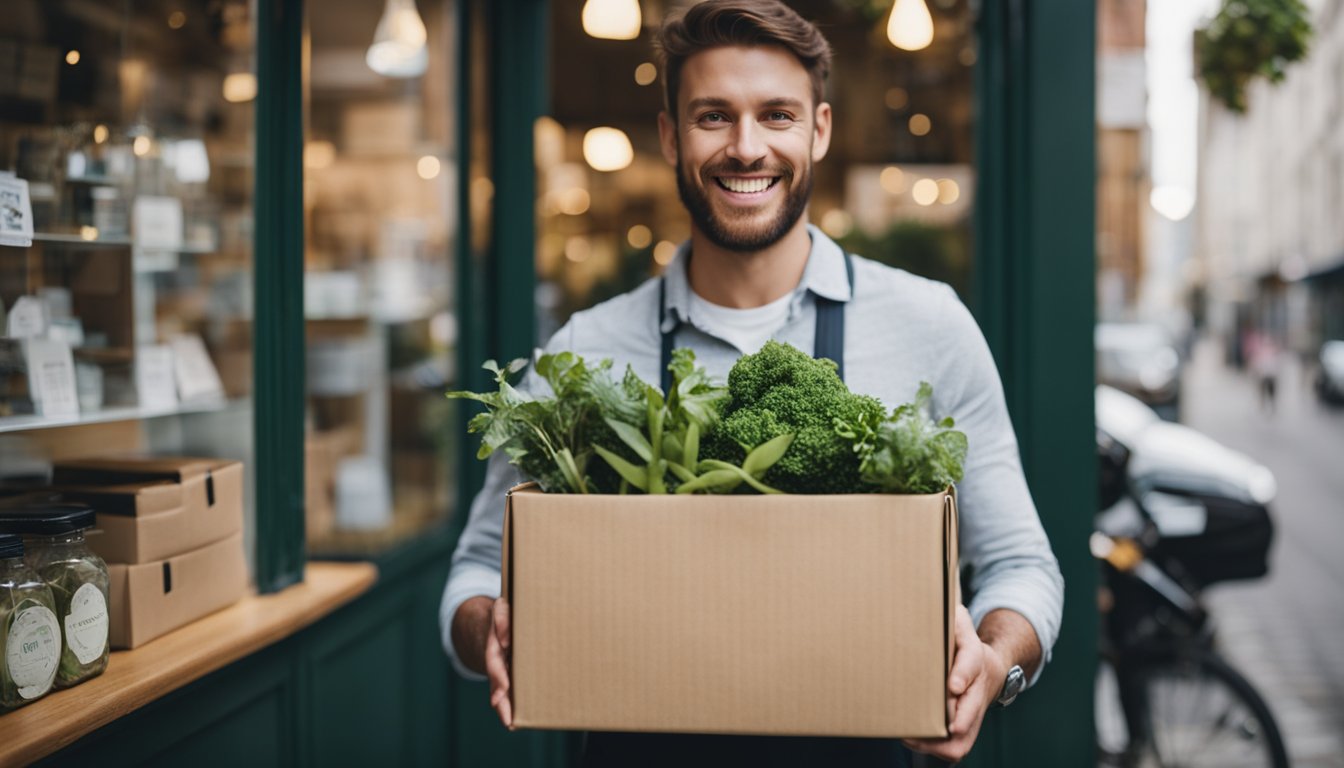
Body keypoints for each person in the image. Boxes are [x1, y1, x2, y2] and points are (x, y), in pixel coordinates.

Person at [440, 2, 1064, 765]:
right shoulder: (586, 352)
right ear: (671, 135)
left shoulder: (929, 326)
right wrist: (490, 629)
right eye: (713, 116)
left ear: (819, 130)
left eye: (776, 115)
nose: (745, 148)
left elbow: (1021, 566)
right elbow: (476, 567)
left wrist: (995, 662)